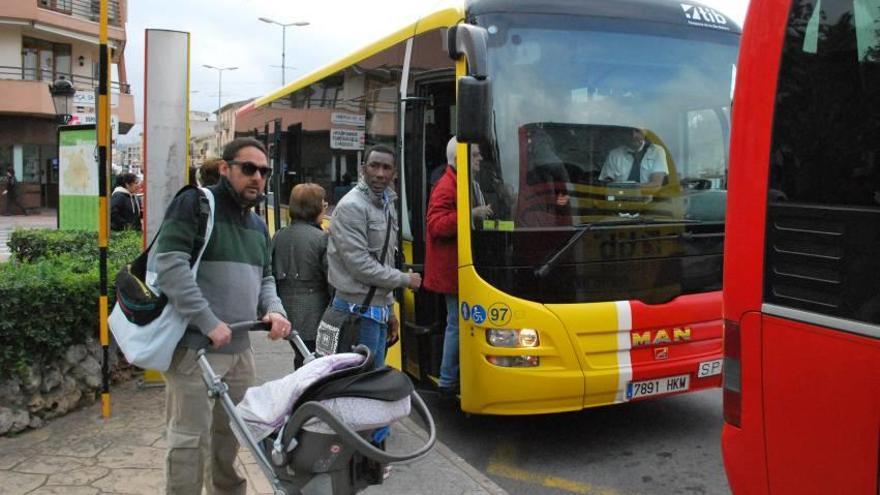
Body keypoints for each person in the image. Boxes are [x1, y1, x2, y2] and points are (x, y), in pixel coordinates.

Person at [154, 137, 291, 495]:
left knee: (230, 436)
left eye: (264, 171)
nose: (257, 177)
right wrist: (207, 320)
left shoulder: (259, 226)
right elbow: (169, 267)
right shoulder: (196, 204)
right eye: (248, 168)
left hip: (240, 350)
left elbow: (265, 278)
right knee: (188, 441)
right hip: (194, 349)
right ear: (224, 169)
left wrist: (274, 310)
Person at [326, 144, 421, 370]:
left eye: (386, 168)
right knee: (359, 387)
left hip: (375, 313)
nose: (380, 173)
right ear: (362, 169)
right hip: (355, 314)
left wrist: (388, 309)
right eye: (374, 166)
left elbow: (384, 259)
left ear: (394, 173)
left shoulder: (386, 204)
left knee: (371, 384)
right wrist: (405, 280)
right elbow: (360, 266)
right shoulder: (352, 206)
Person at [424, 137, 492, 397]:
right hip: (452, 270)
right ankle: (448, 381)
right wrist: (471, 215)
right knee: (457, 323)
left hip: (460, 267)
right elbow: (436, 225)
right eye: (475, 155)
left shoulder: (465, 182)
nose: (480, 159)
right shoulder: (446, 185)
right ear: (459, 159)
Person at [272, 183, 330, 369]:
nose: (325, 206)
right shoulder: (322, 239)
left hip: (288, 312)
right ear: (314, 207)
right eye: (323, 203)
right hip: (316, 315)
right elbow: (333, 281)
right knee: (316, 365)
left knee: (301, 359)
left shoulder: (280, 235)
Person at [599, 127, 669, 187]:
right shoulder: (614, 154)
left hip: (649, 201)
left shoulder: (656, 151)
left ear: (645, 132)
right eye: (629, 131)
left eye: (637, 131)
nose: (633, 135)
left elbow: (656, 185)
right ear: (623, 134)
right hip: (618, 200)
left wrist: (629, 189)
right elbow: (606, 184)